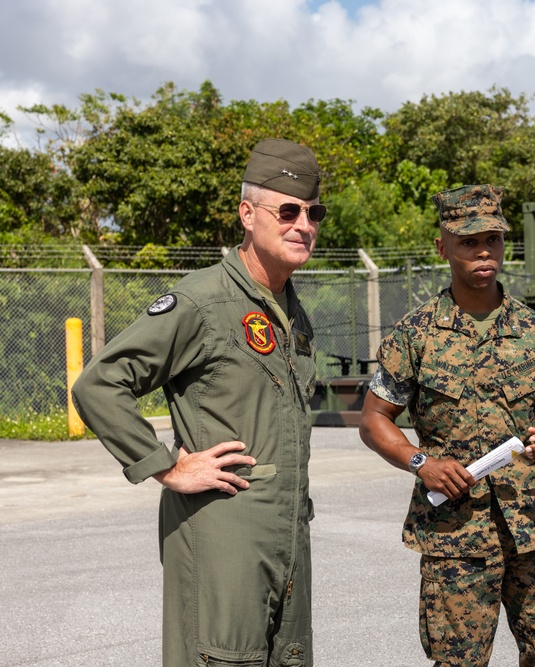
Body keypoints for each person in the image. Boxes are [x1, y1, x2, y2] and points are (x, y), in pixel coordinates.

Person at [72, 138, 325, 667]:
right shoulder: (203, 301)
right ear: (247, 214)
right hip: (222, 537)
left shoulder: (291, 312)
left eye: (313, 212)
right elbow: (99, 382)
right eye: (287, 210)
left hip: (289, 539)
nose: (303, 224)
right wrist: (166, 467)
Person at [358, 184, 535, 667]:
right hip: (457, 536)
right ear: (442, 248)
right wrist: (422, 463)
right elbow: (374, 419)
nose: (483, 251)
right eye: (468, 242)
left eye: (493, 240)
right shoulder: (415, 335)